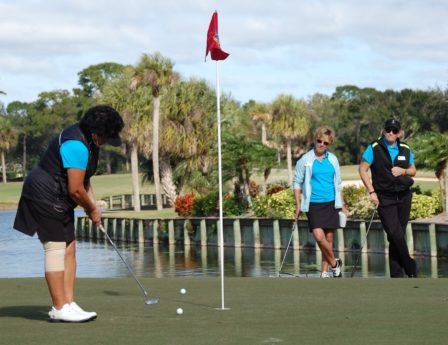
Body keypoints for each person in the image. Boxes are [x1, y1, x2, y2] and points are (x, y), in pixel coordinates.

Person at [13, 105, 124, 321]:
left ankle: (69, 303)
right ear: (95, 133)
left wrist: (94, 206)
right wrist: (90, 208)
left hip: (60, 198)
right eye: (106, 137)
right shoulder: (76, 145)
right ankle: (58, 308)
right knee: (55, 248)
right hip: (43, 196)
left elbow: (85, 180)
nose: (107, 142)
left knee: (70, 249)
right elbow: (75, 188)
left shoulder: (90, 141)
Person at [359, 118, 417, 278]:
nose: (391, 133)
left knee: (395, 236)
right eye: (388, 130)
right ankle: (410, 265)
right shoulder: (374, 147)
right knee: (395, 233)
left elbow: (413, 170)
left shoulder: (405, 148)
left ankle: (397, 275)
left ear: (399, 133)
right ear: (384, 131)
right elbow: (362, 170)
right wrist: (372, 192)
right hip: (384, 197)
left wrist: (403, 171)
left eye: (394, 130)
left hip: (404, 196)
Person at [293, 126, 348, 278]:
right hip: (313, 204)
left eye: (326, 143)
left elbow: (338, 184)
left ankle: (325, 272)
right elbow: (297, 183)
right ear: (315, 140)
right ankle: (335, 264)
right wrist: (298, 205)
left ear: (329, 144)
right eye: (319, 141)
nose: (321, 144)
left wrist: (342, 205)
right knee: (319, 237)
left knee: (329, 239)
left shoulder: (333, 160)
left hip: (331, 202)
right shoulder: (305, 160)